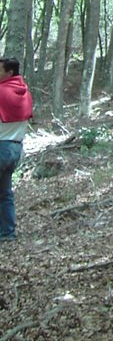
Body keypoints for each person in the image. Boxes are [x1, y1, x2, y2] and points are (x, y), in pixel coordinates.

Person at [0, 57, 33, 242]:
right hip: (15, 148)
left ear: (9, 73)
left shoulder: (1, 91)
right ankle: (8, 232)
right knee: (5, 193)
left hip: (1, 145)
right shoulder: (24, 92)